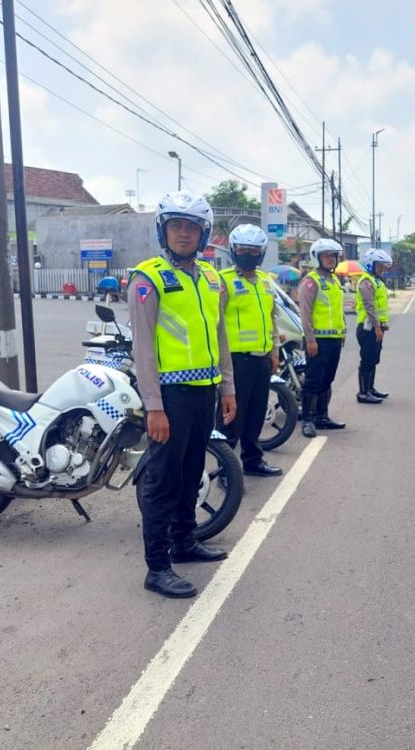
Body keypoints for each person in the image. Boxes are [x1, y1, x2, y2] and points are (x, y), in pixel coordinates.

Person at [128, 191, 237, 599]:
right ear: (163, 229)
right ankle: (157, 567)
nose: (184, 234)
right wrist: (154, 407)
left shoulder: (212, 278)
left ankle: (185, 542)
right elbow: (142, 350)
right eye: (176, 226)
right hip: (169, 397)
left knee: (192, 473)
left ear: (204, 233)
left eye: (192, 227)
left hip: (204, 392)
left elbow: (220, 337)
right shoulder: (148, 278)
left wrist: (227, 388)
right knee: (163, 481)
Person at [218, 224, 282, 478]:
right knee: (231, 418)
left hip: (261, 360)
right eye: (242, 249)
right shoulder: (223, 280)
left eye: (254, 250)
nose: (248, 254)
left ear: (262, 253)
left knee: (256, 415)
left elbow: (272, 318)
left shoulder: (266, 282)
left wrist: (274, 351)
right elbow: (216, 322)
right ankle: (226, 469)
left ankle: (253, 461)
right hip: (235, 361)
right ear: (233, 251)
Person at [297, 238, 347, 438]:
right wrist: (310, 340)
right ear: (317, 257)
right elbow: (306, 313)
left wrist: (342, 333)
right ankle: (307, 420)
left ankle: (322, 416)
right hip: (317, 341)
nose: (331, 260)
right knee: (313, 381)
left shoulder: (334, 281)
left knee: (327, 379)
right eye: (326, 256)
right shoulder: (311, 281)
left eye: (333, 256)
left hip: (334, 340)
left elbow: (338, 311)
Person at [355, 248, 393, 404]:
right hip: (368, 327)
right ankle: (363, 392)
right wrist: (377, 327)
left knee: (373, 359)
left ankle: (370, 388)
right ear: (370, 264)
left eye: (383, 266)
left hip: (377, 327)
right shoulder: (366, 282)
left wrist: (382, 326)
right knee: (367, 360)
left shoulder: (377, 281)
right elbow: (369, 306)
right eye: (379, 265)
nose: (382, 268)